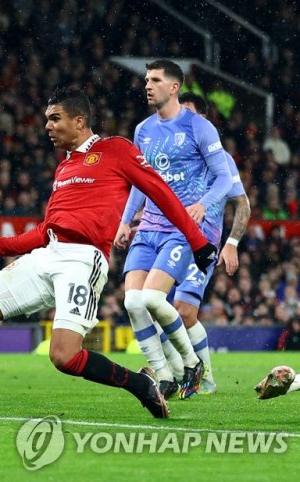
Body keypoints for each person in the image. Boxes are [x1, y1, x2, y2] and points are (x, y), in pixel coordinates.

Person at [0, 87, 216, 418]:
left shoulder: (115, 149)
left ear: (79, 121)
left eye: (54, 118)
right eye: (46, 119)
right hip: (48, 255)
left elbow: (160, 192)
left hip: (83, 260)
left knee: (64, 357)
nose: (47, 125)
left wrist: (198, 242)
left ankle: (140, 385)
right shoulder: (65, 167)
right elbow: (44, 231)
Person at [114, 59, 232, 400]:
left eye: (155, 80)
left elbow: (223, 177)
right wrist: (126, 220)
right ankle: (164, 375)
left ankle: (192, 363)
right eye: (146, 79)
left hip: (179, 229)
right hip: (148, 226)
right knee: (133, 302)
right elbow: (141, 180)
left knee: (152, 297)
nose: (147, 85)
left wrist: (202, 204)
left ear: (174, 87)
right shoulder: (143, 129)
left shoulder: (199, 127)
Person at [153, 93, 251, 396]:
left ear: (203, 121)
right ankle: (187, 374)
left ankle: (196, 376)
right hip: (168, 239)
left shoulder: (220, 159)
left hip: (201, 244)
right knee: (154, 305)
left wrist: (232, 242)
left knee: (182, 310)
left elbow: (242, 204)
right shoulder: (175, 156)